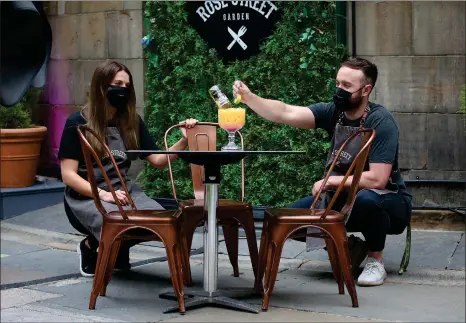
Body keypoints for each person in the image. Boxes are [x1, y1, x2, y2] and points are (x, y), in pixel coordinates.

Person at [232, 57, 412, 286]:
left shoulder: (380, 121)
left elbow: (378, 179)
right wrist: (249, 97)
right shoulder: (333, 112)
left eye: (347, 86)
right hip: (341, 198)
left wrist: (331, 181)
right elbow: (285, 112)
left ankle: (375, 259)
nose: (339, 90)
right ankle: (346, 248)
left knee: (366, 199)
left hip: (389, 202)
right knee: (289, 220)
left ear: (366, 90)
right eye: (338, 83)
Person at [58, 60, 198, 277]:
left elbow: (158, 161)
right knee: (119, 219)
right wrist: (105, 194)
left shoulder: (131, 122)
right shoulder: (77, 122)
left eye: (126, 86)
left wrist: (184, 140)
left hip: (124, 190)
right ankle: (89, 247)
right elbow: (68, 175)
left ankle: (117, 248)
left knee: (158, 221)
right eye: (116, 84)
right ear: (101, 86)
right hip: (87, 195)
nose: (122, 90)